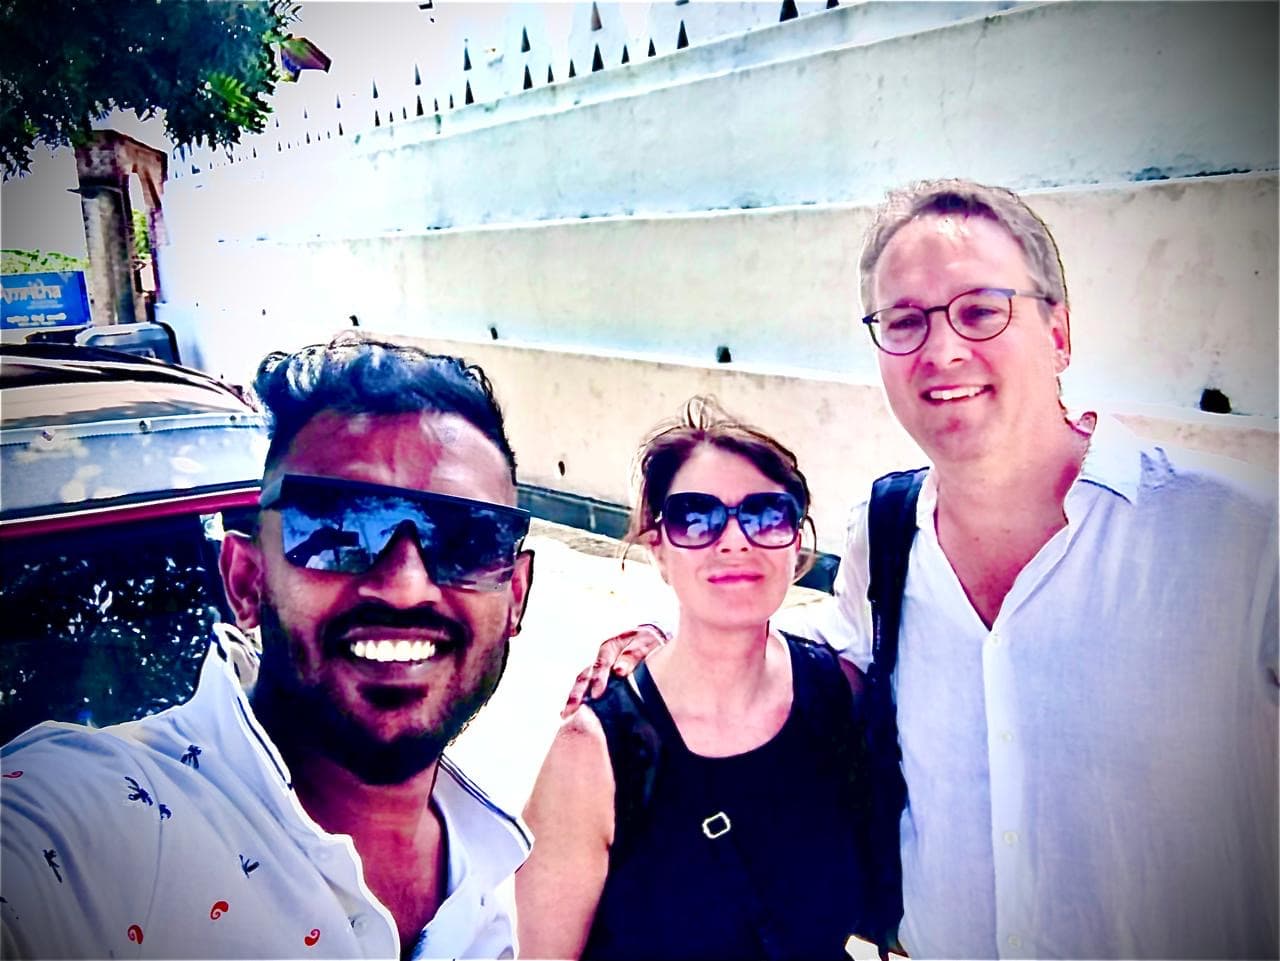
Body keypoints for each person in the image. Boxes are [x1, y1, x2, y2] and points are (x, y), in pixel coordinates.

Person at [566, 180, 1279, 959]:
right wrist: (665, 633)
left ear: (1060, 332)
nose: (941, 351)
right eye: (904, 322)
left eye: (980, 310)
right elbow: (831, 646)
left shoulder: (1241, 538)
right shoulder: (886, 537)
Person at [1, 334, 535, 959]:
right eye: (335, 528)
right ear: (247, 582)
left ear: (516, 598)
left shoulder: (483, 873)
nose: (404, 586)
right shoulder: (95, 822)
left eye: (468, 539)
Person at [517, 398, 879, 960]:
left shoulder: (837, 694)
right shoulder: (595, 756)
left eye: (765, 514)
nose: (734, 541)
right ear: (658, 548)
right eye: (696, 517)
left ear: (797, 541)